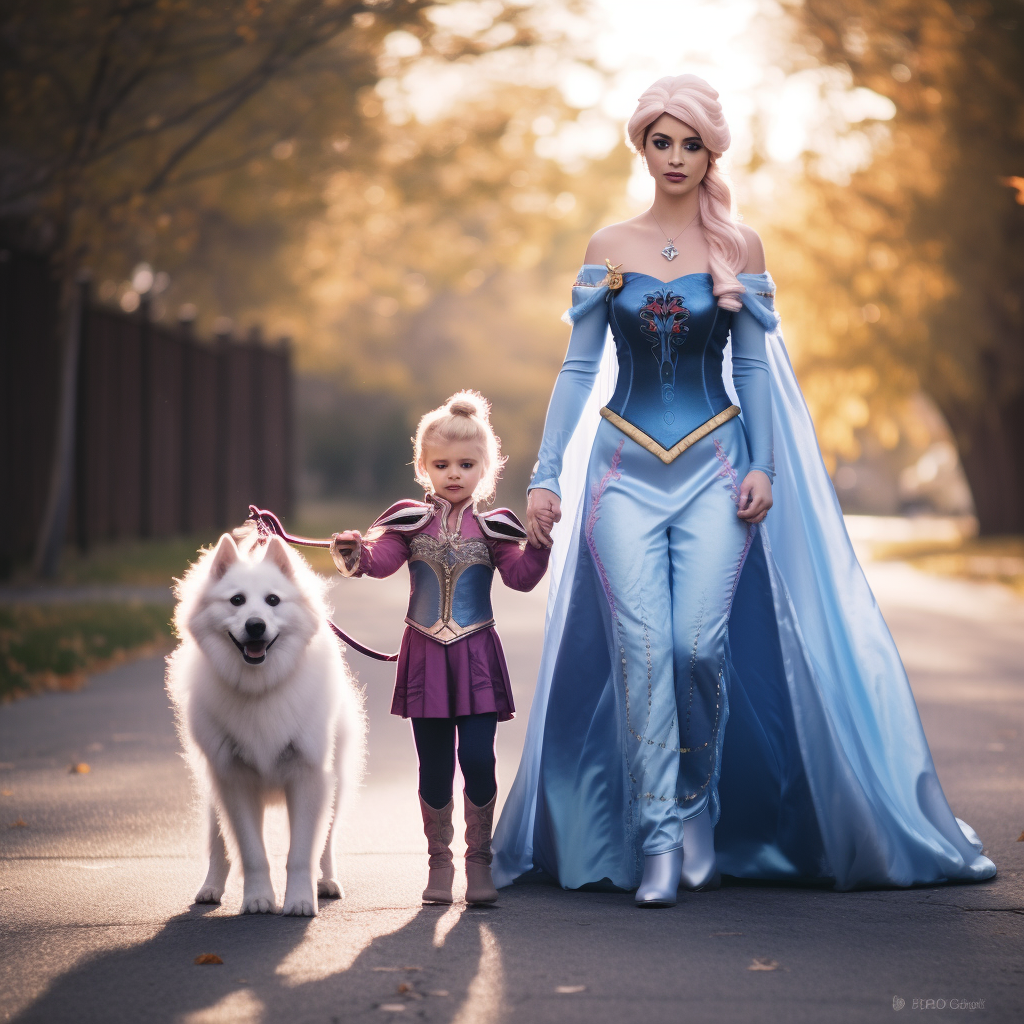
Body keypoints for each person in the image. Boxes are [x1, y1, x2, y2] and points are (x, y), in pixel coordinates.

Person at [491, 74, 995, 906]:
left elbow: (753, 363)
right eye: (663, 141)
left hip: (716, 471)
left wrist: (762, 462)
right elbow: (581, 366)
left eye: (692, 143)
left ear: (711, 151)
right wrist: (546, 475)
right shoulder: (607, 246)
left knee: (696, 646)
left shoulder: (741, 248)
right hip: (620, 471)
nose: (677, 157)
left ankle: (696, 808)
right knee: (642, 650)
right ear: (641, 146)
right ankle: (656, 839)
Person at [331, 391, 549, 906]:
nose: (454, 473)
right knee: (433, 764)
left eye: (467, 464)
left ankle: (479, 862)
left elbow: (519, 578)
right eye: (442, 464)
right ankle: (439, 864)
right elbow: (380, 559)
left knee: (477, 756)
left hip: (476, 658)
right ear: (423, 466)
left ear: (486, 469)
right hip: (425, 657)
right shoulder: (408, 521)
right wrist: (354, 553)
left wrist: (536, 547)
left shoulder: (496, 528)